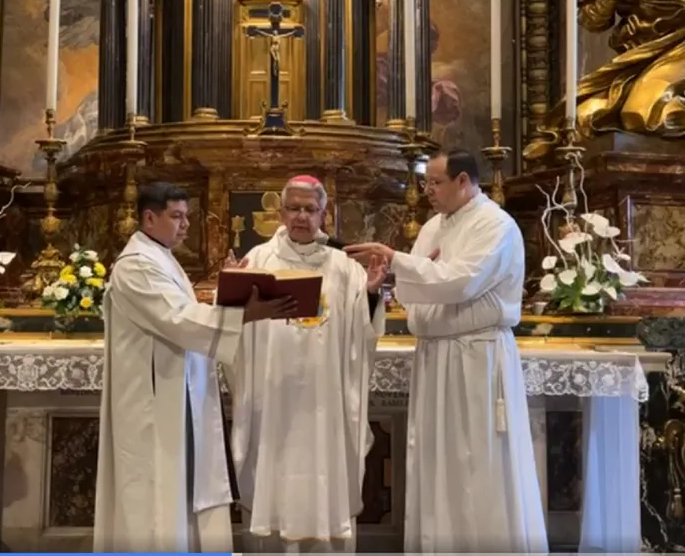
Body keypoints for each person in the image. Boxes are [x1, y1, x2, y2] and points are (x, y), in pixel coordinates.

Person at [344, 149, 548, 553]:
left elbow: (462, 283)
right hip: (435, 355)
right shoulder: (434, 226)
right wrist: (412, 271)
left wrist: (403, 263)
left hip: (475, 355)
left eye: (435, 182)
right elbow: (409, 287)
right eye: (425, 183)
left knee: (476, 458)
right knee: (437, 458)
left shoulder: (495, 225)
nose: (427, 192)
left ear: (464, 181)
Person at [93, 182, 297, 553]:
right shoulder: (136, 266)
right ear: (149, 218)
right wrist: (244, 315)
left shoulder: (158, 256)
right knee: (155, 490)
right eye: (177, 216)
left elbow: (185, 314)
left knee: (182, 485)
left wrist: (233, 290)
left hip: (176, 394)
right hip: (153, 403)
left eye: (187, 216)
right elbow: (179, 320)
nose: (186, 225)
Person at [227, 175, 387, 553]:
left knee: (324, 470)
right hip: (274, 390)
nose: (301, 216)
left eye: (310, 209)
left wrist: (370, 293)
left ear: (323, 213)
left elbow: (362, 331)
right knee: (274, 466)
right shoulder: (259, 260)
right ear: (280, 213)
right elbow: (235, 325)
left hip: (324, 396)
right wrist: (232, 286)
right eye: (294, 208)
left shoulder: (344, 265)